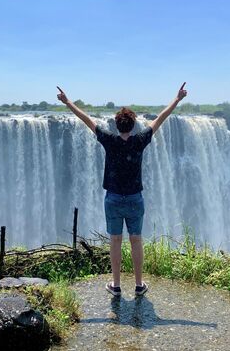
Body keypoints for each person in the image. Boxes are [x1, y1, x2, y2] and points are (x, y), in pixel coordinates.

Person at [56, 83, 188, 296]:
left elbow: (87, 120)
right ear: (133, 124)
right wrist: (177, 99)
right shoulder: (140, 141)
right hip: (135, 199)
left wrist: (67, 101)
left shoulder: (109, 140)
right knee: (136, 240)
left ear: (117, 125)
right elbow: (160, 119)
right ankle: (138, 284)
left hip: (113, 199)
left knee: (115, 241)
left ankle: (116, 285)